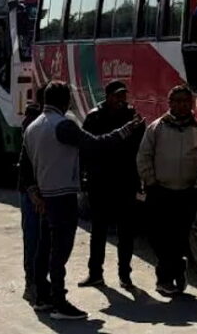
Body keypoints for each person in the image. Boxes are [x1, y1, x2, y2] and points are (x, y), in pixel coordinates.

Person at [25, 81, 137, 321]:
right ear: (65, 101)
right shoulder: (63, 125)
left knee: (44, 247)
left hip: (45, 193)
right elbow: (96, 145)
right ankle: (59, 301)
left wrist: (34, 191)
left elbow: (27, 166)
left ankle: (42, 295)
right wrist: (125, 131)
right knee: (60, 251)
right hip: (62, 194)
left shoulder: (33, 126)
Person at [136, 85, 197, 297]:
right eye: (176, 101)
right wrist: (151, 182)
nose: (181, 105)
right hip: (160, 191)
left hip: (187, 192)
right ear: (169, 104)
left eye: (185, 101)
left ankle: (167, 278)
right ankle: (173, 270)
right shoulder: (157, 128)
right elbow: (143, 156)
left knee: (179, 236)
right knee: (159, 237)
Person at [78, 80, 146, 290]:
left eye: (123, 96)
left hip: (126, 180)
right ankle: (95, 274)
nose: (121, 100)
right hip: (100, 181)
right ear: (107, 96)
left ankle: (125, 275)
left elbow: (141, 148)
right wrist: (83, 178)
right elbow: (86, 148)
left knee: (126, 232)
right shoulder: (94, 116)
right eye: (117, 96)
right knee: (98, 230)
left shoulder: (132, 116)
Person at [18, 87, 50, 311]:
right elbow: (26, 166)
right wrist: (32, 191)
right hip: (33, 192)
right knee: (34, 239)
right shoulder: (34, 123)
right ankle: (32, 284)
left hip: (47, 189)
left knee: (45, 240)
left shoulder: (53, 122)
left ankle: (40, 282)